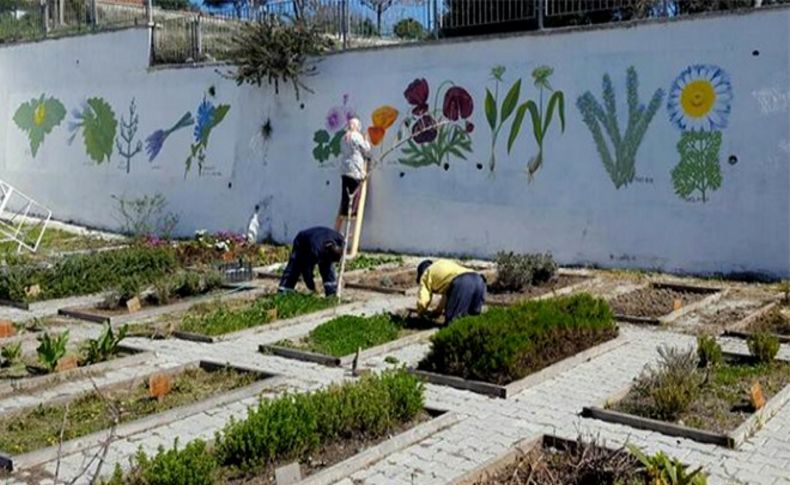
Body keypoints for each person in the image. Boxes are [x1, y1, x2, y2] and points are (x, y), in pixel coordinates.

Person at [278, 227, 345, 297]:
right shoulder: (314, 251)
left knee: (327, 267)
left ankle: (331, 292)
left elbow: (343, 242)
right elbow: (306, 269)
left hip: (320, 237)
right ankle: (284, 290)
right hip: (302, 241)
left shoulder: (339, 239)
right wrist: (311, 285)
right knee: (296, 264)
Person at [416, 259, 486, 325]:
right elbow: (446, 297)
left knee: (453, 323)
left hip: (463, 282)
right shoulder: (441, 265)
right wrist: (438, 311)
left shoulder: (426, 274)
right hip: (479, 280)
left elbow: (423, 301)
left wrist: (420, 313)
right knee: (473, 319)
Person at [335, 117, 371, 232]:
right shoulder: (356, 136)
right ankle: (353, 213)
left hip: (344, 169)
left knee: (345, 193)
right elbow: (366, 149)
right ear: (356, 126)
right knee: (356, 192)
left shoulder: (343, 138)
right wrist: (366, 140)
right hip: (355, 170)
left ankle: (345, 211)